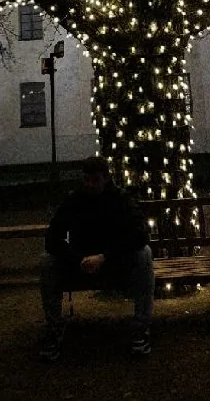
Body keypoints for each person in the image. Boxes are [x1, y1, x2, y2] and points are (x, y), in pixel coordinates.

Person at [39, 155, 154, 361]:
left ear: (106, 178)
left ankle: (140, 329)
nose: (90, 185)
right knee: (47, 261)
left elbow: (140, 234)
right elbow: (52, 238)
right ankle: (54, 328)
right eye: (86, 179)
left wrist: (104, 257)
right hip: (80, 266)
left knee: (144, 254)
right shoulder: (74, 201)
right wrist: (77, 259)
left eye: (95, 180)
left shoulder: (120, 199)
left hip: (114, 264)